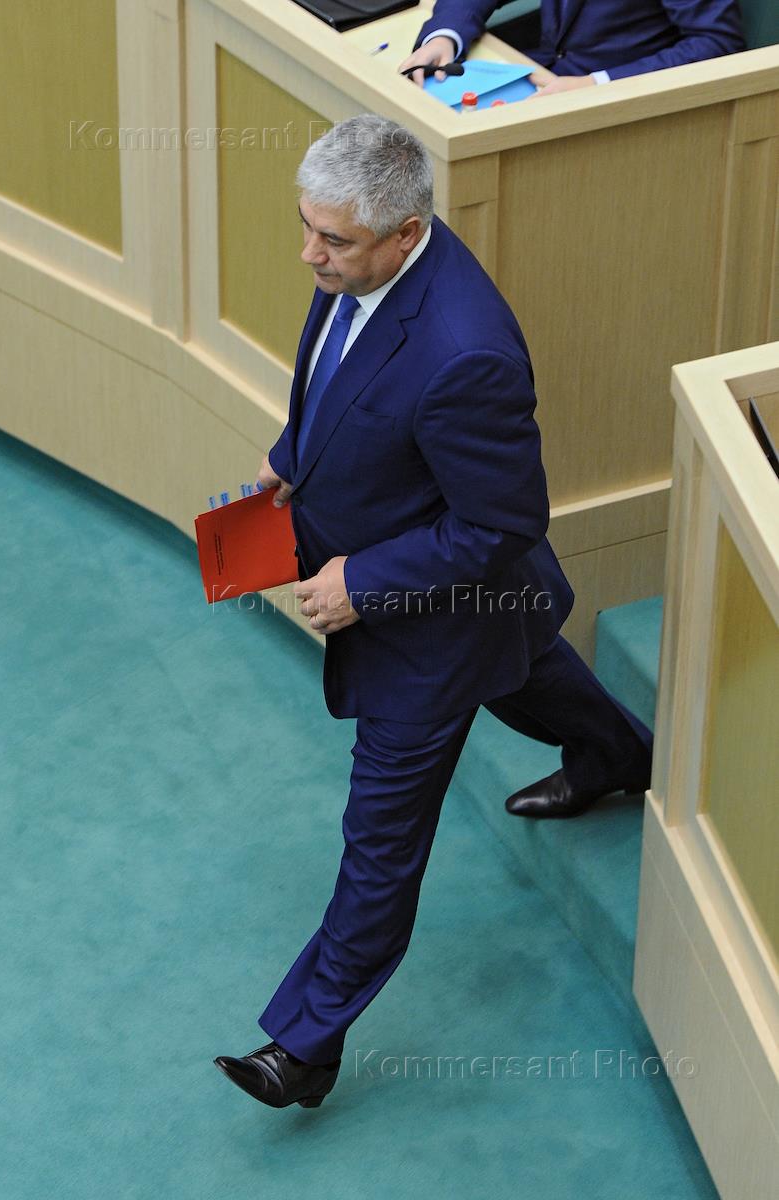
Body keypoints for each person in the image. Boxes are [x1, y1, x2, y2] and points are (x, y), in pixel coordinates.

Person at [213, 114, 652, 1111]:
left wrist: (362, 583)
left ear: (406, 232)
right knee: (533, 673)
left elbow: (502, 521)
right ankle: (622, 756)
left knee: (379, 835)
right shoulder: (357, 256)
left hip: (437, 625)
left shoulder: (465, 352)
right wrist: (290, 457)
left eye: (331, 239)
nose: (309, 254)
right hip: (488, 607)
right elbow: (339, 376)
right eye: (306, 226)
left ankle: (305, 1046)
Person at [399, 0, 745, 94]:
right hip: (540, 78)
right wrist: (445, 35)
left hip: (624, 106)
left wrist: (597, 84)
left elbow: (717, 42)